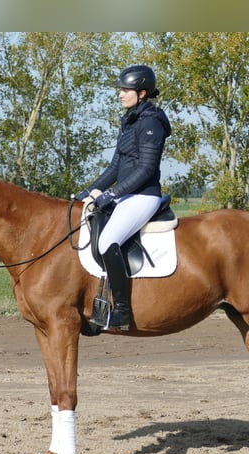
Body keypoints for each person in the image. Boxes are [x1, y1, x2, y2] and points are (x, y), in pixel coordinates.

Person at [75, 64, 171, 331]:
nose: (120, 94)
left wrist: (111, 194)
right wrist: (90, 192)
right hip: (126, 196)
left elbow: (146, 169)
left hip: (143, 196)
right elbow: (115, 167)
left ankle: (123, 312)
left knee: (107, 241)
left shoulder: (151, 122)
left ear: (142, 93)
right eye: (120, 89)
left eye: (125, 89)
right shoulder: (129, 121)